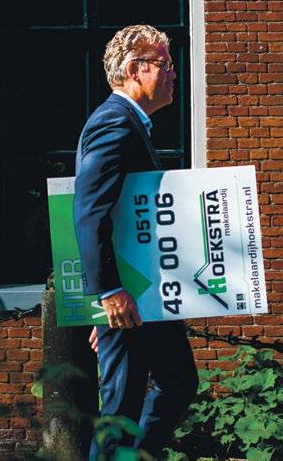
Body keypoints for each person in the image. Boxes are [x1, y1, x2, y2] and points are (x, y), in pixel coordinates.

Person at [73, 25, 198, 458]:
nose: (173, 74)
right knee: (121, 412)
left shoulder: (129, 123)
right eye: (165, 65)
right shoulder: (114, 122)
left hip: (139, 294)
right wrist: (107, 292)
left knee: (177, 382)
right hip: (127, 294)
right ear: (133, 71)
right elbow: (90, 210)